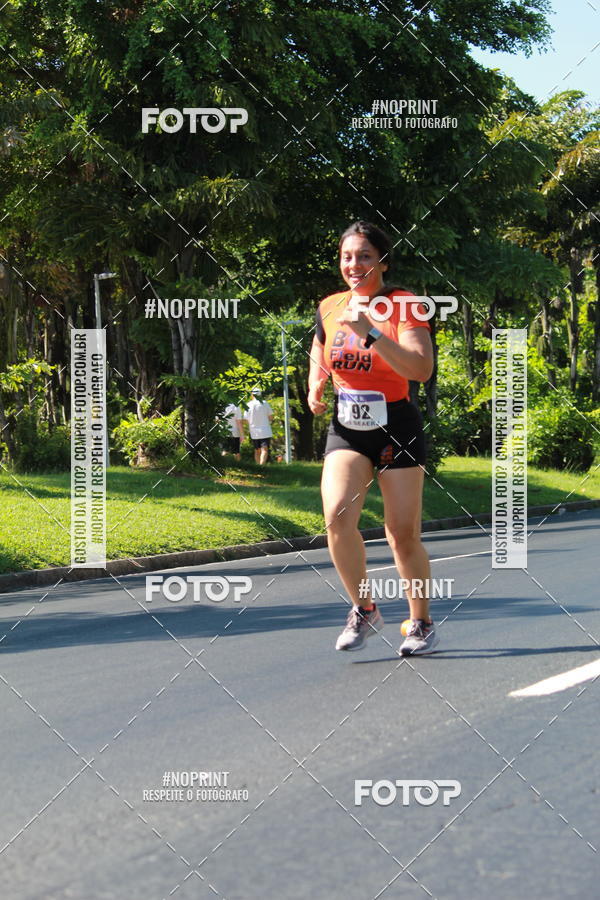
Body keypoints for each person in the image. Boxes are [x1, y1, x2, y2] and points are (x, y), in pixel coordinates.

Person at [308, 221, 439, 656]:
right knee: (336, 517)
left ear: (383, 260)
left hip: (396, 427)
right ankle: (363, 608)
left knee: (401, 533)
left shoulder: (407, 306)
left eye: (364, 256)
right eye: (347, 256)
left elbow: (419, 369)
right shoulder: (330, 305)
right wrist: (315, 383)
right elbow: (320, 344)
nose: (355, 264)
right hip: (347, 429)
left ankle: (420, 621)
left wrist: (373, 332)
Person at [243, 388, 273, 465]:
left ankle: (258, 466)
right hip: (265, 430)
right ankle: (262, 465)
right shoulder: (265, 403)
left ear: (252, 395)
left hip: (254, 431)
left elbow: (245, 420)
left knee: (257, 450)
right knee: (264, 449)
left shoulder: (248, 405)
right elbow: (271, 417)